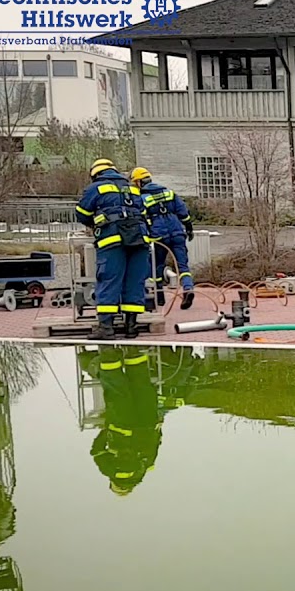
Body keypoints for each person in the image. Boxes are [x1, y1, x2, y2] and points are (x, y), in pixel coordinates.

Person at [75, 158, 151, 340]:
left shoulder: (96, 188)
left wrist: (95, 222)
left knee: (109, 279)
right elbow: (144, 211)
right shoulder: (132, 187)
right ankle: (131, 326)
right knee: (134, 280)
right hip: (140, 240)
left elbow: (82, 213)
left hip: (112, 239)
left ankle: (106, 328)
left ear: (96, 174)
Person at [87, 345, 163, 497]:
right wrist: (106, 430)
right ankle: (109, 355)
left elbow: (157, 442)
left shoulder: (145, 468)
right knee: (116, 390)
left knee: (141, 386)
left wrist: (157, 424)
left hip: (147, 422)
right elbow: (96, 451)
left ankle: (133, 353)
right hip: (122, 424)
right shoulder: (111, 471)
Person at [132, 166, 196, 311]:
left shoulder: (142, 199)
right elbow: (183, 212)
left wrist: (146, 235)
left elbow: (142, 219)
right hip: (177, 232)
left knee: (156, 266)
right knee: (182, 265)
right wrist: (188, 227)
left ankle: (158, 296)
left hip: (158, 236)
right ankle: (188, 288)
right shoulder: (169, 193)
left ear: (138, 183)